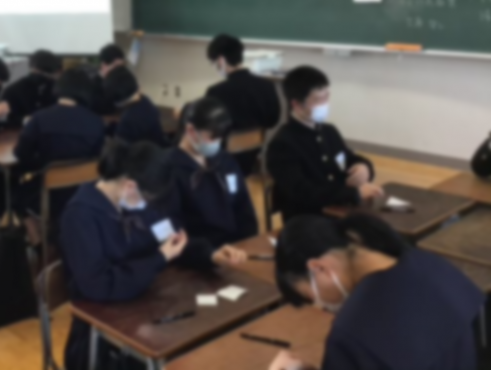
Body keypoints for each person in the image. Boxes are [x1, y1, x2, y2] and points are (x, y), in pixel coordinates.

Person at [268, 214, 484, 370]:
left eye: (313, 297)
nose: (323, 307)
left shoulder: (351, 334)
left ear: (320, 268)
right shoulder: (431, 265)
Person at [61, 140, 189, 370]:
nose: (147, 205)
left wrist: (208, 253)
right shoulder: (80, 217)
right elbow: (99, 284)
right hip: (99, 334)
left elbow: (164, 234)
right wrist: (158, 258)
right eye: (147, 198)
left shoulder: (131, 203)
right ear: (130, 186)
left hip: (139, 306)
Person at [266, 66, 384, 221]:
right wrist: (354, 193)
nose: (325, 104)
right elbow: (303, 193)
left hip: (340, 211)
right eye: (318, 100)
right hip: (308, 221)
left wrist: (364, 167)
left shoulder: (329, 131)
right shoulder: (282, 144)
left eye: (326, 97)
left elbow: (347, 159)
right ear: (296, 104)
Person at [163, 97, 257, 269]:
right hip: (196, 257)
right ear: (191, 131)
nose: (217, 144)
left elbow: (244, 208)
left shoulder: (225, 161)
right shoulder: (168, 169)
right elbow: (171, 231)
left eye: (220, 138)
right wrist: (209, 254)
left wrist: (247, 244)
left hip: (235, 252)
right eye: (212, 138)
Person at [13, 68, 106, 218]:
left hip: (48, 191)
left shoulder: (39, 118)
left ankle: (36, 233)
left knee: (16, 196)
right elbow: (97, 155)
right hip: (83, 191)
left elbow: (20, 154)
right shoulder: (96, 121)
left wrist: (40, 162)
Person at [205, 34, 281, 174]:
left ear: (221, 60)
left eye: (214, 63)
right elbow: (272, 120)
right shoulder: (267, 86)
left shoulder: (216, 91)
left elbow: (209, 127)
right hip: (253, 155)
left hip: (224, 161)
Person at [103, 66, 167, 147]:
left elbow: (117, 151)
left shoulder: (127, 122)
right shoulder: (145, 101)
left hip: (141, 154)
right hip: (155, 149)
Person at [2, 49, 61, 128]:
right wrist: (24, 120)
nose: (43, 76)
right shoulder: (13, 91)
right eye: (39, 72)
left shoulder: (57, 88)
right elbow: (6, 119)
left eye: (47, 74)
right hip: (21, 131)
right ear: (32, 68)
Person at [92, 44, 126, 116]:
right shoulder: (94, 86)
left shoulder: (123, 82)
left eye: (122, 67)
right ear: (104, 65)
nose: (120, 71)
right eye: (116, 67)